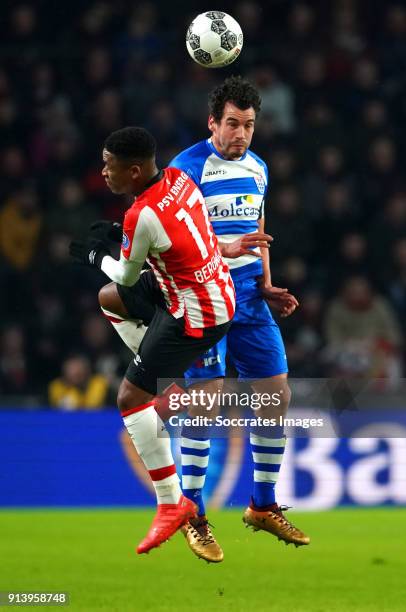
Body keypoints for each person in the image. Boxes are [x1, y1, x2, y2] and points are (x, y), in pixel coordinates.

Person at [97, 77, 310, 562]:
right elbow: (172, 238)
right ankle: (193, 515)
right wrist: (223, 251)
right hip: (201, 297)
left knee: (276, 395)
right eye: (232, 124)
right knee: (205, 405)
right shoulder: (185, 169)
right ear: (212, 122)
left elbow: (257, 230)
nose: (241, 134)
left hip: (250, 299)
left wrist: (267, 281)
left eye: (249, 125)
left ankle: (262, 504)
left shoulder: (258, 169)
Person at [69, 126, 236, 554]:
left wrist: (96, 256)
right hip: (199, 289)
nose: (104, 172)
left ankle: (170, 504)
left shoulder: (140, 215)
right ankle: (161, 369)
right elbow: (166, 240)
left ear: (135, 170)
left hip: (196, 314)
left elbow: (125, 272)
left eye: (111, 166)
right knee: (109, 300)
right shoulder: (179, 180)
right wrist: (123, 239)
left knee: (129, 398)